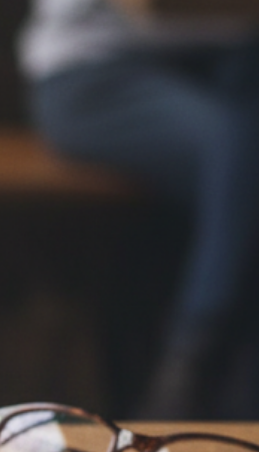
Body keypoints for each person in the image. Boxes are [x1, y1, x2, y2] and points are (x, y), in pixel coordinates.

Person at [19, 0, 259, 418]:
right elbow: (149, 6)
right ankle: (191, 378)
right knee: (243, 161)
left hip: (233, 69)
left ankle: (196, 380)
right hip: (97, 72)